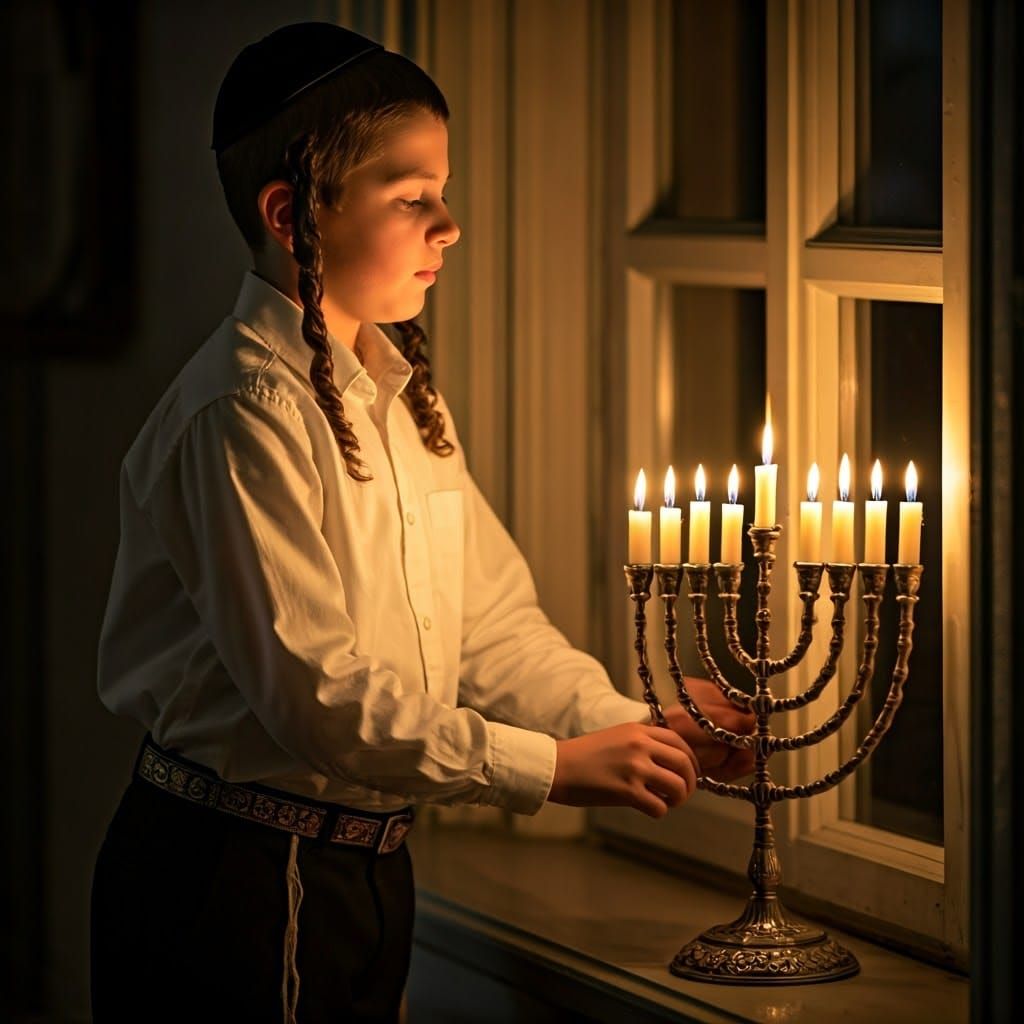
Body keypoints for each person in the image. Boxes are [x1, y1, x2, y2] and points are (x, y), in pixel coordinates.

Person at [90, 22, 753, 1024]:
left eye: (442, 191)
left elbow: (493, 633)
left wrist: (630, 730)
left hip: (366, 873)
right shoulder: (239, 414)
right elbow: (318, 700)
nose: (449, 225)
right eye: (412, 198)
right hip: (232, 880)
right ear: (291, 214)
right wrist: (551, 770)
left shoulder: (399, 398)